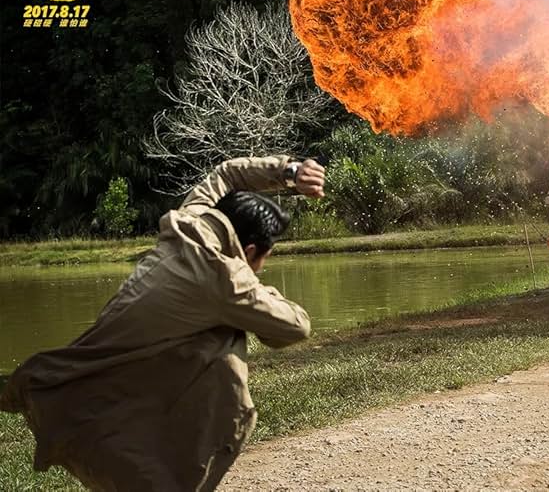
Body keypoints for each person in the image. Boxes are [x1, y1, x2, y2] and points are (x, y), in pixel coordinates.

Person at [0, 155, 326, 490]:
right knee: (225, 343)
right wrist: (256, 286)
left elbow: (227, 174)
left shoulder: (190, 221)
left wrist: (291, 172)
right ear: (250, 249)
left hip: (87, 386)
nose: (260, 270)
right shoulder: (225, 280)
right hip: (104, 417)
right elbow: (295, 326)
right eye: (262, 262)